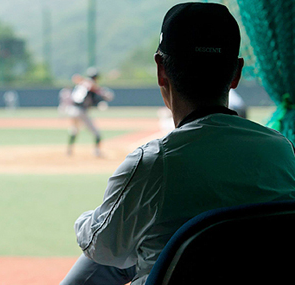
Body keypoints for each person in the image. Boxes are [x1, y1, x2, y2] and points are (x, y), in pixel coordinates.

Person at [60, 3, 295, 285]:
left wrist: (87, 220)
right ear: (236, 73)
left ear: (161, 70)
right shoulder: (282, 149)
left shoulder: (153, 163)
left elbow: (101, 246)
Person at [64, 67, 114, 157]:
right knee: (96, 133)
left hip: (72, 109)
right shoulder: (90, 84)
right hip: (80, 110)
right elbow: (95, 89)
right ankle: (97, 151)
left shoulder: (82, 83)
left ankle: (69, 150)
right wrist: (104, 94)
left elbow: (77, 79)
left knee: (74, 130)